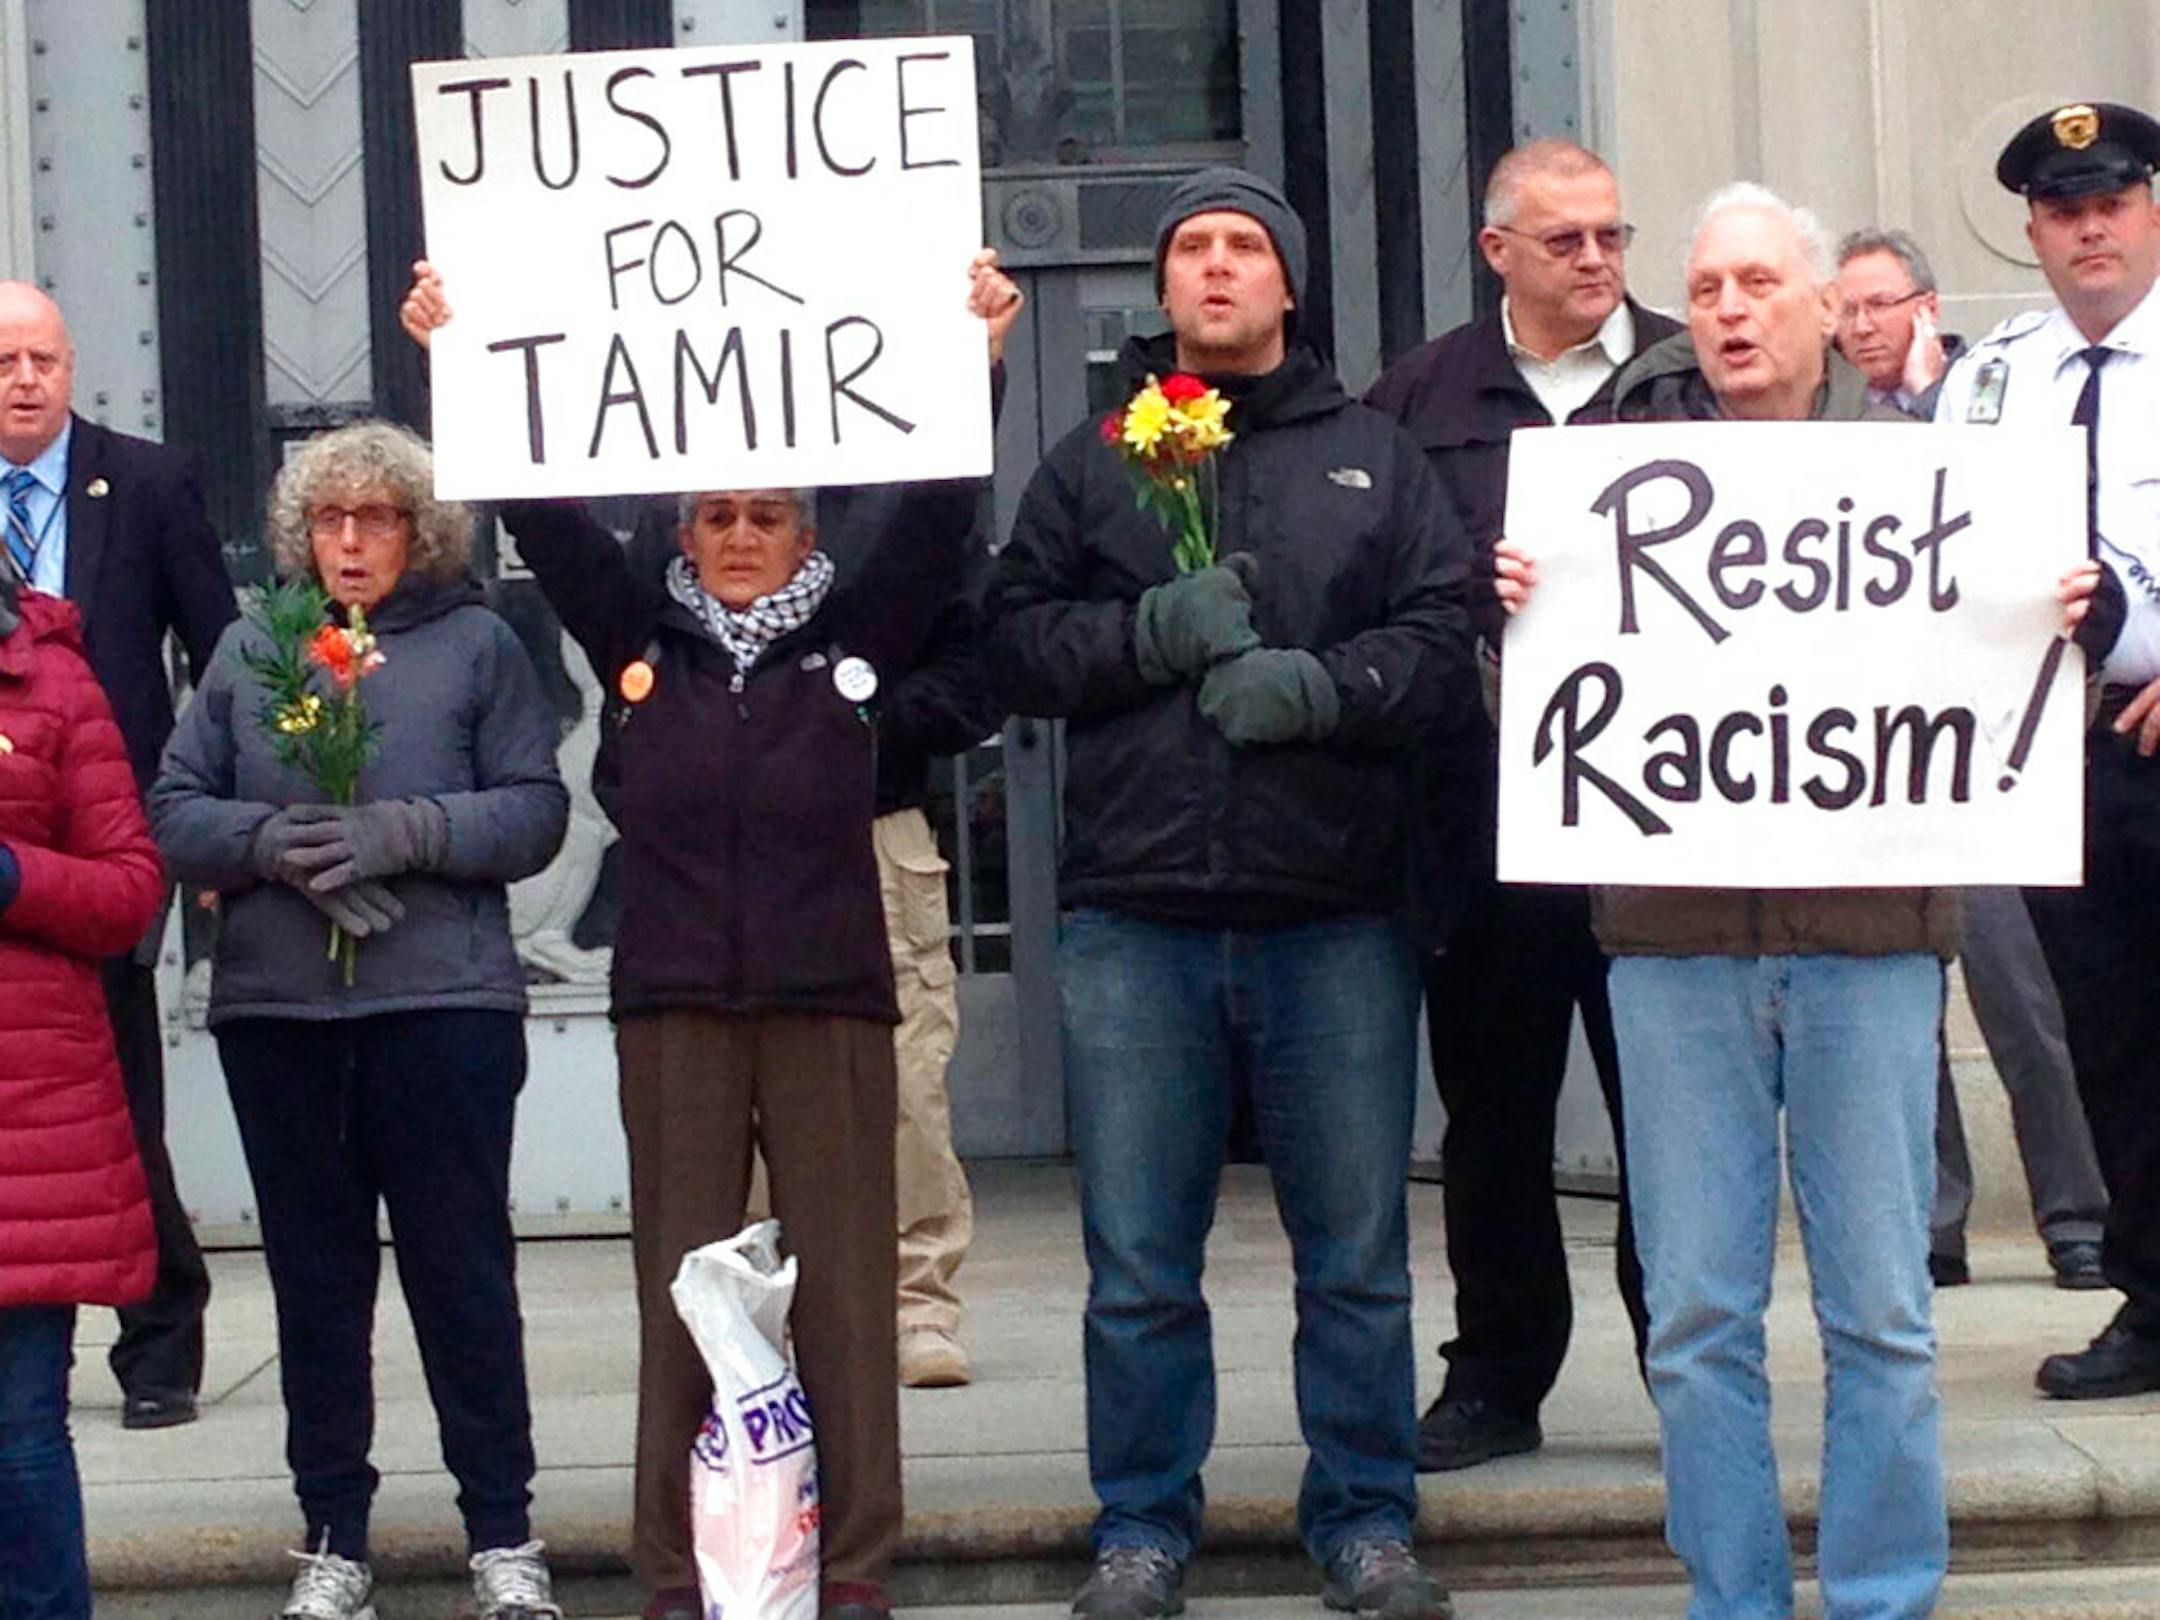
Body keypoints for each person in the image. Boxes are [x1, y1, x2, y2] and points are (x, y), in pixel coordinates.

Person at [401, 250, 1017, 1620]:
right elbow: (549, 516)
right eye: (718, 516)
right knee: (679, 1287)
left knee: (849, 1298)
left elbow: (934, 515)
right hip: (675, 1000)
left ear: (808, 538)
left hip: (831, 998)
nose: (740, 536)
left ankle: (853, 1564)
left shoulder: (856, 639)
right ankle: (675, 1570)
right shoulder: (641, 634)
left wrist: (974, 357)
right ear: (684, 536)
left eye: (768, 517)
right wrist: (464, 356)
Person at [987, 168, 1470, 1620]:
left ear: (1287, 285)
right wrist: (1147, 633)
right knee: (1138, 1262)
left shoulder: (1377, 459)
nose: (1214, 267)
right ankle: (1140, 1526)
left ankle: (1369, 1521)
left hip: (1334, 914)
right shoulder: (1096, 461)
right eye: (1191, 247)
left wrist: (1325, 689)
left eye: (1242, 246)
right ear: (1167, 286)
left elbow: (1447, 649)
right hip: (1138, 913)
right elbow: (1012, 647)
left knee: (1359, 1256)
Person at [149, 420, 571, 1620]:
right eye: (329, 521)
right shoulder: (252, 650)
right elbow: (174, 806)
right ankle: (333, 1537)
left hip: (441, 1006)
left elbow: (535, 809)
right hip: (285, 1012)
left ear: (417, 532)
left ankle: (502, 1534)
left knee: (463, 1276)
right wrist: (270, 843)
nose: (349, 542)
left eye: (376, 518)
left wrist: (406, 831)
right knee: (314, 1286)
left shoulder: (479, 646)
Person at [1364, 136, 1676, 1473]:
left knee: (1675, 1107)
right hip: (1482, 820)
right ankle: (1496, 1375)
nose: (1600, 262)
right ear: (1499, 252)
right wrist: (1460, 594)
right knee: (1492, 1113)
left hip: (1666, 817)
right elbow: (1372, 589)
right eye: (1568, 241)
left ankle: (1692, 1363)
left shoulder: (1687, 373)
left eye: (1612, 236)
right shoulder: (1417, 399)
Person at [1830, 231, 2111, 1292]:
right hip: (1876, 757)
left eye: (1876, 305)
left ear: (1925, 305)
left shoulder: (2001, 399)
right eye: (1843, 311)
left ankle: (2076, 1215)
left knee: (2021, 999)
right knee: (1907, 1005)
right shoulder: (1834, 427)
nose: (1859, 327)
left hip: (1982, 751)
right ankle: (1936, 1222)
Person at [1936, 100, 2160, 1399]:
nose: (2089, 225)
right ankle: (2153, 1299)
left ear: (2150, 209)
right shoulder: (1991, 377)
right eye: (2064, 207)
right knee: (2110, 1042)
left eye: (2112, 200)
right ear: (2032, 225)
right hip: (2050, 759)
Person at [0, 279, 231, 1430]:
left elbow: (220, 654)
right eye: (4, 364)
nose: (26, 380)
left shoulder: (142, 481)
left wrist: (195, 809)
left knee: (119, 1095)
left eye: (42, 358)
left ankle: (159, 1344)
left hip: (102, 843)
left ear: (72, 364)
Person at [0, 563, 167, 1620]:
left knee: (19, 1436)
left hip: (31, 1128)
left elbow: (129, 888)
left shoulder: (52, 680)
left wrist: (16, 877)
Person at [1832, 228, 1960, 416]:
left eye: (1880, 304)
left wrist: (1928, 392)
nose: (1861, 327)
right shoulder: (1822, 400)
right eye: (1847, 311)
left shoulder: (1974, 384)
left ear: (1929, 308)